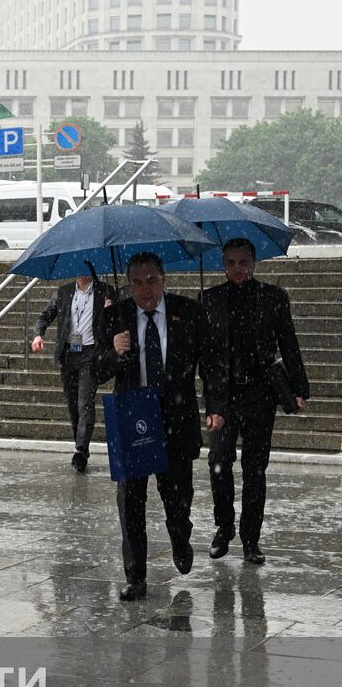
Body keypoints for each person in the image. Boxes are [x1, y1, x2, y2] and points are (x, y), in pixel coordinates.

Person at [96, 252, 226, 601]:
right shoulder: (115, 316)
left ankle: (180, 536)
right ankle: (136, 576)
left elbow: (211, 363)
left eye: (151, 280)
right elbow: (93, 371)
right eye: (136, 283)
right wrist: (113, 351)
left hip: (177, 421)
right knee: (131, 503)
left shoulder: (190, 312)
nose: (145, 289)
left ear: (164, 278)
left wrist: (215, 407)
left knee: (178, 499)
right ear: (128, 285)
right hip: (133, 418)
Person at [203, 238, 310, 565]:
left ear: (254, 262)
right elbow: (206, 360)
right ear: (223, 264)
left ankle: (251, 539)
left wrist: (299, 388)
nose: (238, 269)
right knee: (218, 463)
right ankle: (224, 528)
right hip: (223, 397)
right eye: (231, 262)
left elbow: (288, 343)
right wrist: (213, 406)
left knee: (255, 470)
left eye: (244, 262)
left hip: (260, 395)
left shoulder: (273, 298)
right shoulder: (210, 299)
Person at [32, 274, 116, 473]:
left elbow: (118, 320)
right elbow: (45, 315)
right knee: (73, 404)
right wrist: (38, 334)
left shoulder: (105, 291)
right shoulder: (63, 292)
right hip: (69, 353)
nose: (81, 273)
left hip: (91, 354)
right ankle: (79, 442)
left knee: (85, 402)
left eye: (85, 268)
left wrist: (110, 310)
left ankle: (81, 451)